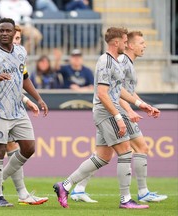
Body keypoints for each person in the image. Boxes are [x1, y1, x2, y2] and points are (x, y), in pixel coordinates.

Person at [53, 27, 154, 209]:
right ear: (116, 43)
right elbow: (102, 93)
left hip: (108, 111)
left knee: (103, 156)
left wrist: (140, 104)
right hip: (107, 111)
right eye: (124, 41)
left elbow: (119, 90)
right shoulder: (106, 61)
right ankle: (125, 200)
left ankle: (65, 185)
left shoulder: (114, 62)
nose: (126, 44)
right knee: (125, 152)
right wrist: (118, 116)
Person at [70, 31, 168, 203]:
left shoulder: (126, 62)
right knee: (139, 148)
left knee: (103, 155)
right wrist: (127, 111)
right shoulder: (120, 61)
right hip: (115, 111)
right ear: (129, 44)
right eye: (141, 42)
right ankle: (140, 193)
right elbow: (113, 91)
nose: (144, 45)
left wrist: (142, 104)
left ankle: (77, 187)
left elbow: (125, 91)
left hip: (116, 111)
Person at [0, 17, 48, 207]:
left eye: (8, 31)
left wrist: (38, 99)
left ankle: (0, 178)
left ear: (14, 33)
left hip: (18, 110)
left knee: (29, 148)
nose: (4, 33)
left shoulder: (21, 51)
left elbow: (25, 78)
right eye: (1, 31)